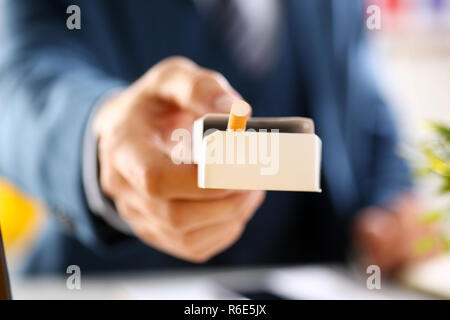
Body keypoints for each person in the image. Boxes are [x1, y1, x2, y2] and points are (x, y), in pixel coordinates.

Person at [0, 0, 432, 275]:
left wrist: (390, 207)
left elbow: (369, 115)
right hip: (110, 281)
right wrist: (101, 140)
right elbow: (16, 80)